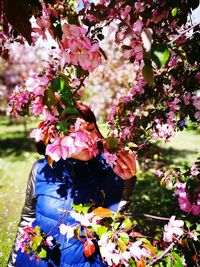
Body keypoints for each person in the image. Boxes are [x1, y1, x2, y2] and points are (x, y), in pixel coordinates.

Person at [8, 102, 137, 267]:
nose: (88, 139)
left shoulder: (109, 171)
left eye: (90, 129)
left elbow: (115, 225)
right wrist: (12, 262)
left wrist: (125, 182)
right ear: (58, 136)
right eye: (74, 131)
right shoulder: (40, 170)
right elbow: (27, 219)